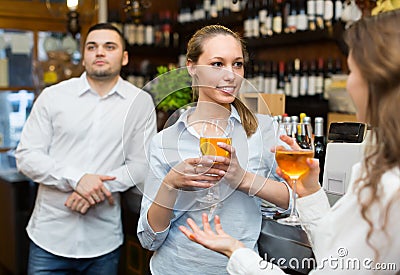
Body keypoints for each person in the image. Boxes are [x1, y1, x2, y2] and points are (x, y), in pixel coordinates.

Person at [179, 10, 400, 274]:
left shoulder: (390, 187)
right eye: (218, 64)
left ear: (378, 82)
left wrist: (236, 252)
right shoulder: (383, 172)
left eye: (351, 71)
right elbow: (339, 256)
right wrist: (310, 192)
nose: (347, 84)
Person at [137, 25, 292, 275]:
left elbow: (294, 201)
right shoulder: (166, 141)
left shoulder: (264, 129)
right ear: (192, 67)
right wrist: (170, 183)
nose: (230, 75)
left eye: (238, 64)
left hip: (239, 269)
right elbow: (149, 238)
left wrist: (243, 179)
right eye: (218, 64)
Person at [15, 23, 157, 274]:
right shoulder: (53, 96)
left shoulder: (140, 102)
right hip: (49, 238)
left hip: (103, 242)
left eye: (109, 47)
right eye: (92, 47)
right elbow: (27, 156)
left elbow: (141, 164)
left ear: (124, 58)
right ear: (84, 57)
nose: (99, 52)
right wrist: (78, 179)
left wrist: (97, 188)